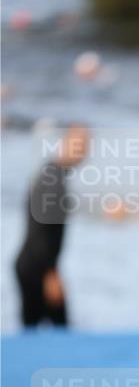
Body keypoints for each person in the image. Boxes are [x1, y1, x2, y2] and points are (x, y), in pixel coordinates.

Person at [14, 124, 90, 327]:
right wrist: (50, 274)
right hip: (35, 267)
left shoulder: (53, 174)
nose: (83, 151)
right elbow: (40, 231)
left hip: (33, 264)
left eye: (85, 146)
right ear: (64, 143)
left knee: (40, 329)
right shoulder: (52, 180)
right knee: (54, 329)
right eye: (78, 144)